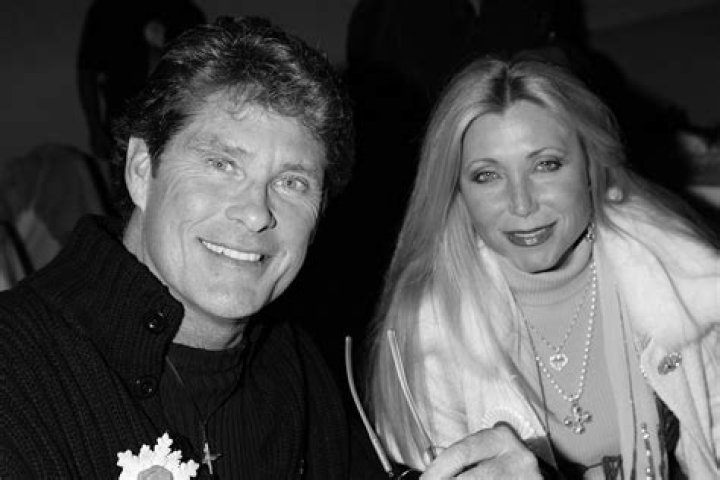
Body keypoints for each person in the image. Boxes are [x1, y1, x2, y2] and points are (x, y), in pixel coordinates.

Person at [1, 16, 356, 479]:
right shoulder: (17, 372)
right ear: (141, 170)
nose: (256, 212)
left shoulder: (299, 368)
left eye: (292, 182)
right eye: (222, 164)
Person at [368, 55, 719, 479]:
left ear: (591, 167)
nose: (521, 204)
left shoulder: (685, 284)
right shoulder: (430, 333)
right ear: (457, 191)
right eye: (487, 176)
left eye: (546, 165)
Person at [77, 0, 205, 159]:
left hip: (175, 124)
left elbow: (202, 74)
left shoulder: (186, 13)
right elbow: (87, 72)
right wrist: (95, 127)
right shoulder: (106, 11)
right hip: (122, 124)